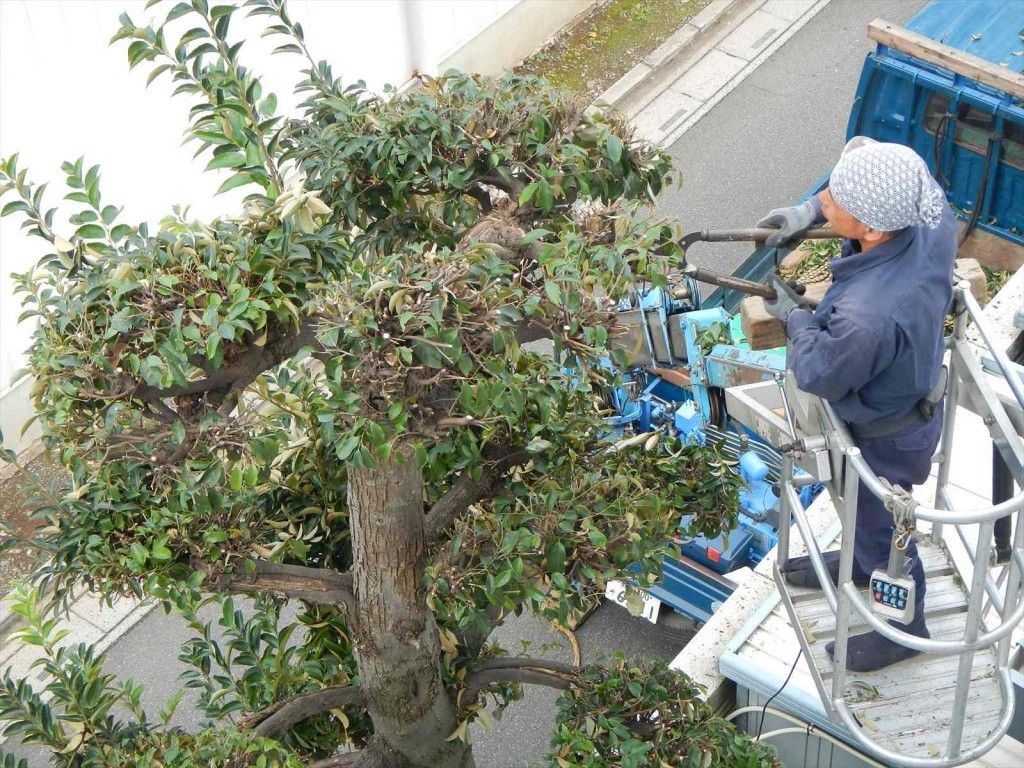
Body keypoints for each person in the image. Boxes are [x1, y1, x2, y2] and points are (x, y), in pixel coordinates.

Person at [759, 136, 957, 673]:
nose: (826, 203)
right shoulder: (927, 211)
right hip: (909, 402)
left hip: (885, 438)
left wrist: (796, 319)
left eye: (834, 203)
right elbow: (875, 158)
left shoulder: (870, 316)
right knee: (863, 518)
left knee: (880, 525)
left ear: (871, 230)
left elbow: (820, 370)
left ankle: (903, 631)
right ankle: (865, 563)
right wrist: (808, 211)